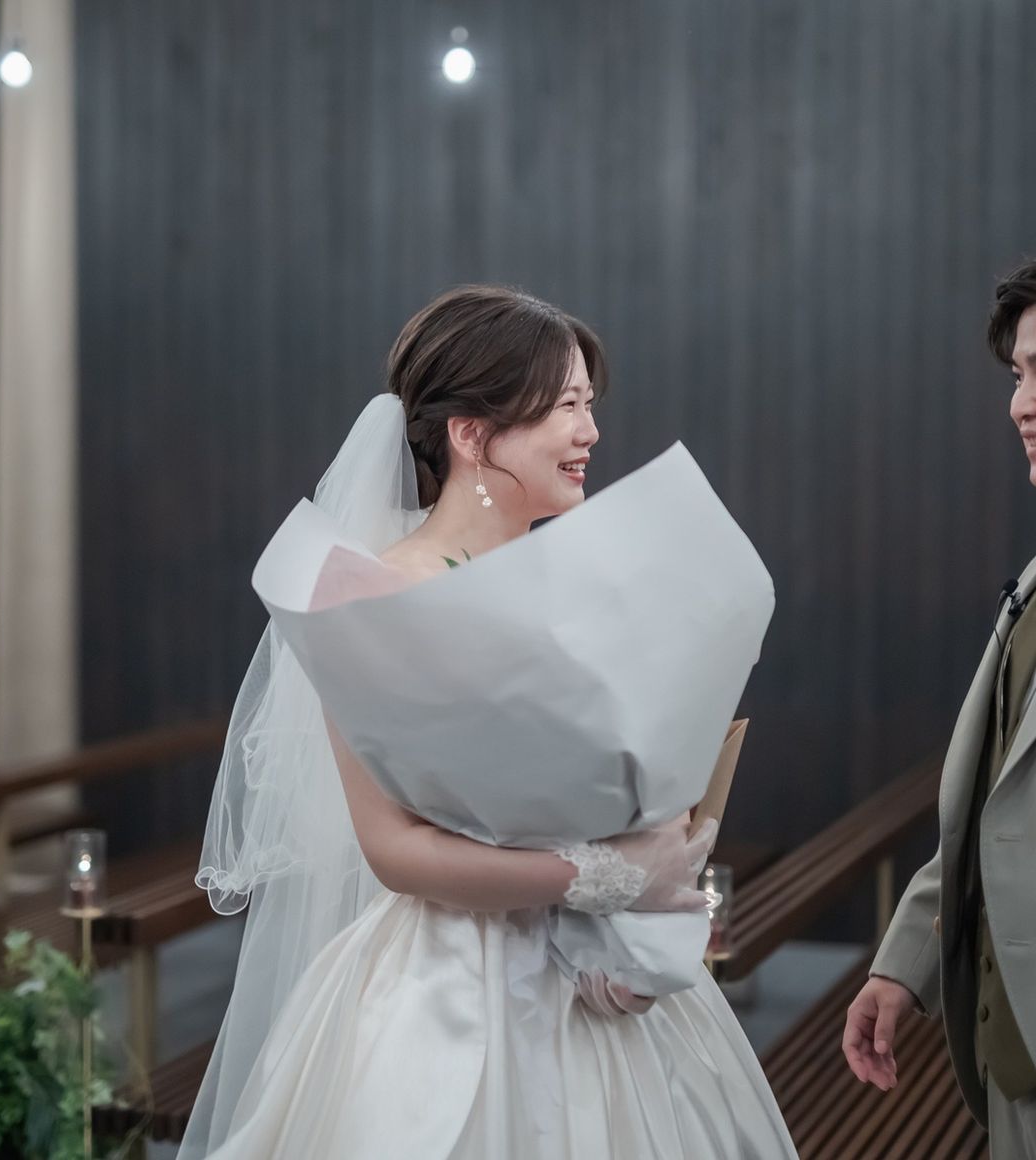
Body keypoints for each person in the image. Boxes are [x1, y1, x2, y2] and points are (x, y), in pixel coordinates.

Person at [182, 285, 797, 1158]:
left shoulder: (581, 585)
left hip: (602, 977)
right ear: (472, 435)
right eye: (565, 407)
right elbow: (393, 851)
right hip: (450, 988)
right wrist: (595, 878)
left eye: (590, 405)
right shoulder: (373, 601)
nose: (590, 432)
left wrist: (644, 889)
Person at [843, 261, 1036, 1157]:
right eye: (1019, 376)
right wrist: (906, 964)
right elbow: (1001, 811)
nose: (1021, 406)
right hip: (1011, 1061)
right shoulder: (1032, 582)